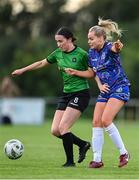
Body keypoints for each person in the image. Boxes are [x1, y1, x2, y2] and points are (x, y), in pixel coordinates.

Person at [11, 27, 94, 167]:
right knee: (55, 130)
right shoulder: (57, 54)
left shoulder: (82, 54)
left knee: (63, 127)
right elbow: (41, 63)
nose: (58, 44)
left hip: (81, 93)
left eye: (60, 41)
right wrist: (22, 70)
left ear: (69, 39)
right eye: (56, 42)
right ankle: (82, 144)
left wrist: (75, 72)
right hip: (66, 94)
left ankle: (69, 162)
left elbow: (91, 74)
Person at [65, 18, 130, 168]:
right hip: (105, 90)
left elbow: (116, 48)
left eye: (91, 38)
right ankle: (97, 159)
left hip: (119, 87)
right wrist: (98, 85)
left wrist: (118, 47)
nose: (89, 41)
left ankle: (124, 153)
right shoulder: (91, 53)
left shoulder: (109, 47)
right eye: (88, 39)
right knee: (96, 122)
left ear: (101, 38)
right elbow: (94, 73)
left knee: (106, 120)